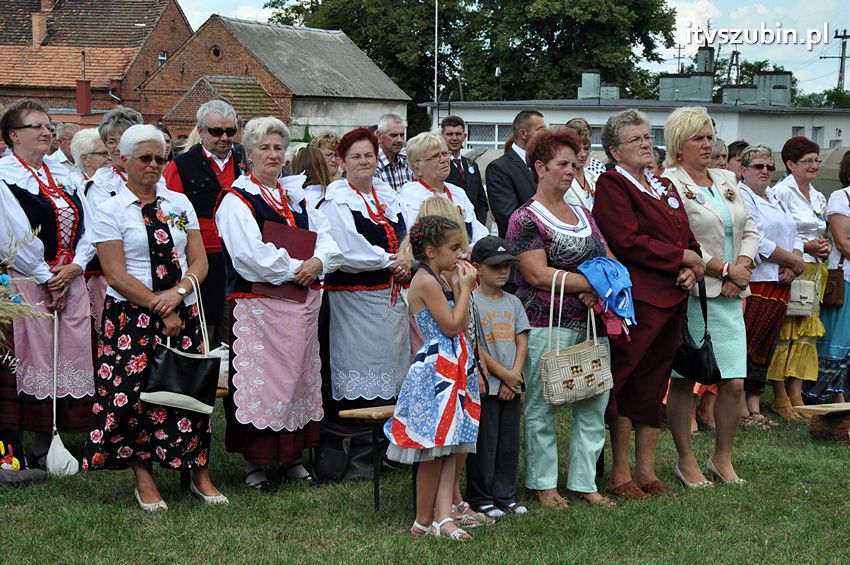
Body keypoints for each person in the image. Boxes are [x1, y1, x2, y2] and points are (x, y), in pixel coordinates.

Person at [82, 124, 226, 509]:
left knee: (190, 391)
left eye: (161, 158)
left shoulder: (179, 203)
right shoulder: (109, 207)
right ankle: (143, 477)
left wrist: (178, 295)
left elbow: (199, 259)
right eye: (145, 158)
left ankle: (198, 471)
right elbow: (115, 272)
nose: (154, 166)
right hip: (131, 316)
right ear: (123, 160)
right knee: (133, 397)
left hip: (182, 306)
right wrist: (158, 304)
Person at [215, 117, 343, 491]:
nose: (272, 154)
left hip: (300, 305)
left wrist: (319, 262)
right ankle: (255, 463)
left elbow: (327, 239)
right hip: (259, 305)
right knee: (262, 384)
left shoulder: (294, 195)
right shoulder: (237, 199)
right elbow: (247, 255)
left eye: (277, 147)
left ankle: (291, 457)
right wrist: (296, 268)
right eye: (264, 148)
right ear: (249, 154)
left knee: (298, 379)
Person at [593, 109, 704, 499]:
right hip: (637, 300)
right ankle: (620, 474)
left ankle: (647, 472)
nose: (645, 144)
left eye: (647, 137)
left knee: (654, 383)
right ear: (614, 151)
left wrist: (693, 266)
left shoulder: (664, 187)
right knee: (626, 382)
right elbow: (626, 240)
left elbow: (686, 237)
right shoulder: (612, 185)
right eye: (635, 140)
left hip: (671, 298)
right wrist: (682, 259)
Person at [507, 127, 613, 508]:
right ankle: (544, 483)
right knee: (542, 406)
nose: (570, 170)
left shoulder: (584, 213)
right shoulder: (524, 218)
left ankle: (585, 483)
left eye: (574, 162)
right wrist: (589, 281)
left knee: (593, 404)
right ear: (539, 167)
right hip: (543, 324)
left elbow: (608, 259)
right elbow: (535, 274)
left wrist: (598, 284)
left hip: (589, 322)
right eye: (561, 164)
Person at [663, 106, 759, 487]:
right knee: (686, 377)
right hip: (695, 293)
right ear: (678, 145)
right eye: (698, 138)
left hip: (733, 292)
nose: (708, 144)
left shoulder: (725, 178)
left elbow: (750, 226)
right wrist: (722, 269)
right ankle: (686, 460)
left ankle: (722, 458)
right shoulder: (669, 184)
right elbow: (678, 240)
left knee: (734, 381)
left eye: (710, 136)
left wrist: (743, 266)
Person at [0, 99, 95, 467]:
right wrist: (45, 275)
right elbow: (11, 234)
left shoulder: (65, 175)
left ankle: (52, 439)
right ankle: (25, 447)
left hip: (68, 279)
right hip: (25, 282)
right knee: (30, 358)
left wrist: (76, 266)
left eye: (49, 126)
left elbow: (91, 226)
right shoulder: (5, 175)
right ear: (13, 135)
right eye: (36, 126)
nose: (46, 132)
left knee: (64, 356)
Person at [384, 215, 481, 541]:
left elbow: (461, 325)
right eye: (454, 248)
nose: (460, 254)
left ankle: (443, 516)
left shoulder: (440, 278)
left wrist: (457, 287)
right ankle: (423, 520)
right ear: (429, 250)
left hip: (455, 363)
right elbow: (450, 326)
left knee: (451, 446)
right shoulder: (424, 281)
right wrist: (465, 289)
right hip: (436, 370)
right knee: (433, 449)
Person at [318, 128, 411, 415]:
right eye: (355, 156)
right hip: (355, 302)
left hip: (391, 299)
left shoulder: (386, 195)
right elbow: (346, 250)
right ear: (342, 163)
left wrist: (408, 258)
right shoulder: (336, 200)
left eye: (368, 155)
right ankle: (355, 442)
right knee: (363, 367)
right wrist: (391, 261)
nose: (363, 161)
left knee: (391, 365)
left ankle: (385, 444)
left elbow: (408, 232)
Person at [164, 100, 247, 346]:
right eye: (215, 131)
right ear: (200, 131)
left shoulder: (246, 159)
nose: (224, 137)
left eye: (230, 131)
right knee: (205, 326)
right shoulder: (182, 165)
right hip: (202, 257)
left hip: (241, 255)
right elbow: (171, 216)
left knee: (237, 325)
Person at [737, 145, 804, 428]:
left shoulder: (775, 197)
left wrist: (795, 262)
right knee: (748, 342)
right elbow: (758, 239)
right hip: (758, 279)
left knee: (766, 344)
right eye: (758, 166)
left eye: (769, 167)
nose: (765, 171)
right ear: (743, 169)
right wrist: (792, 261)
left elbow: (795, 232)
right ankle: (739, 406)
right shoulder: (743, 196)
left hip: (781, 281)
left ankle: (754, 403)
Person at [465, 236, 530, 517]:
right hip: (487, 386)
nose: (503, 271)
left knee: (508, 444)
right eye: (496, 266)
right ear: (477, 268)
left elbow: (522, 340)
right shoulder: (471, 302)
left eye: (507, 265)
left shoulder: (514, 302)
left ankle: (505, 494)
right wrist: (503, 375)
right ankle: (481, 496)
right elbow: (476, 346)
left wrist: (514, 376)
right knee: (485, 443)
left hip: (511, 384)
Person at [766, 136, 830, 418]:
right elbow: (778, 232)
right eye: (808, 160)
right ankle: (780, 396)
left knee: (806, 332)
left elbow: (819, 229)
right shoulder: (780, 192)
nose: (814, 165)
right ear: (790, 164)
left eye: (816, 159)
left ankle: (797, 391)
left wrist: (823, 245)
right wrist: (805, 246)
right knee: (785, 329)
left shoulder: (818, 195)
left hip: (815, 269)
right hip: (791, 266)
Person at [399, 131, 488, 245]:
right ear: (417, 168)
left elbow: (479, 234)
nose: (444, 160)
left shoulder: (458, 193)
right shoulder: (411, 196)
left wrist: (470, 251)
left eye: (445, 154)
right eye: (435, 156)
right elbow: (414, 242)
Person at [811, 150, 850, 403]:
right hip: (846, 277)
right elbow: (842, 242)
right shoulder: (841, 197)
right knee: (840, 336)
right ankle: (831, 393)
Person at [69, 128, 112, 333]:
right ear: (86, 159)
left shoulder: (112, 181)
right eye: (103, 154)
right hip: (94, 266)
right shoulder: (74, 185)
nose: (109, 157)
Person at [486, 110, 547, 237]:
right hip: (522, 249)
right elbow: (509, 218)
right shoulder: (499, 169)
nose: (546, 134)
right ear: (523, 134)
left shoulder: (544, 165)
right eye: (541, 129)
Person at [87, 107, 144, 208]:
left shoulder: (153, 177)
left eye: (124, 141)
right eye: (111, 142)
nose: (118, 148)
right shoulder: (102, 185)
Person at [441, 115, 489, 224]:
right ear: (442, 136)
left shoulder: (472, 165)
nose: (454, 138)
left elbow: (482, 202)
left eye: (458, 134)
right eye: (449, 134)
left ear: (464, 136)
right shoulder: (439, 166)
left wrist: (479, 224)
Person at [562, 122, 600, 210]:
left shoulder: (596, 177)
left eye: (586, 149)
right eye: (578, 149)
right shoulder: (560, 180)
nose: (583, 154)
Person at [374, 113, 413, 191]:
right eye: (394, 135)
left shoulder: (408, 164)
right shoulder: (371, 164)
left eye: (402, 135)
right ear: (379, 136)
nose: (400, 140)